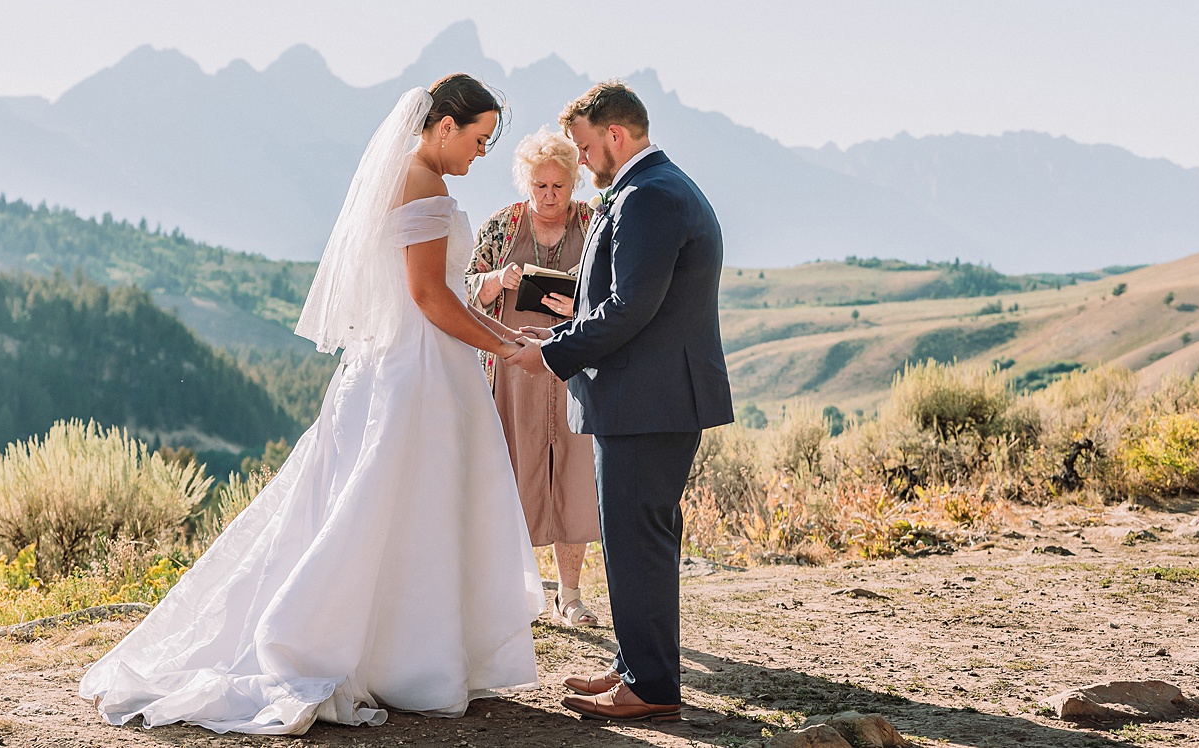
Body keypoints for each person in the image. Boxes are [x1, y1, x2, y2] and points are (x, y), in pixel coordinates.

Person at [79, 75, 545, 735]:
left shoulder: (403, 178)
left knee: (381, 510)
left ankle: (401, 652)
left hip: (391, 366)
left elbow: (439, 293)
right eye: (478, 139)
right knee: (412, 509)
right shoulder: (428, 185)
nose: (479, 155)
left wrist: (502, 336)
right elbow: (430, 299)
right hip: (420, 371)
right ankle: (387, 653)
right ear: (445, 127)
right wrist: (504, 346)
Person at [508, 80, 733, 723]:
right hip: (646, 399)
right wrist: (567, 321)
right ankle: (636, 666)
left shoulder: (651, 196)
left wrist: (554, 353)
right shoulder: (649, 190)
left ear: (614, 135)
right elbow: (624, 297)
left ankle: (653, 686)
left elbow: (632, 307)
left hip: (650, 402)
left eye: (583, 148)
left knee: (639, 540)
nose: (581, 162)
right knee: (633, 540)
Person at [467, 128, 601, 628]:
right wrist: (495, 281)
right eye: (540, 187)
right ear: (526, 183)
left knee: (573, 477)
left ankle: (570, 596)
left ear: (574, 183)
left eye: (559, 188)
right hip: (512, 371)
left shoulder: (593, 221)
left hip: (575, 369)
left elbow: (615, 291)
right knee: (511, 476)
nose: (549, 198)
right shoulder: (501, 226)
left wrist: (580, 304)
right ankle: (514, 596)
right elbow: (462, 293)